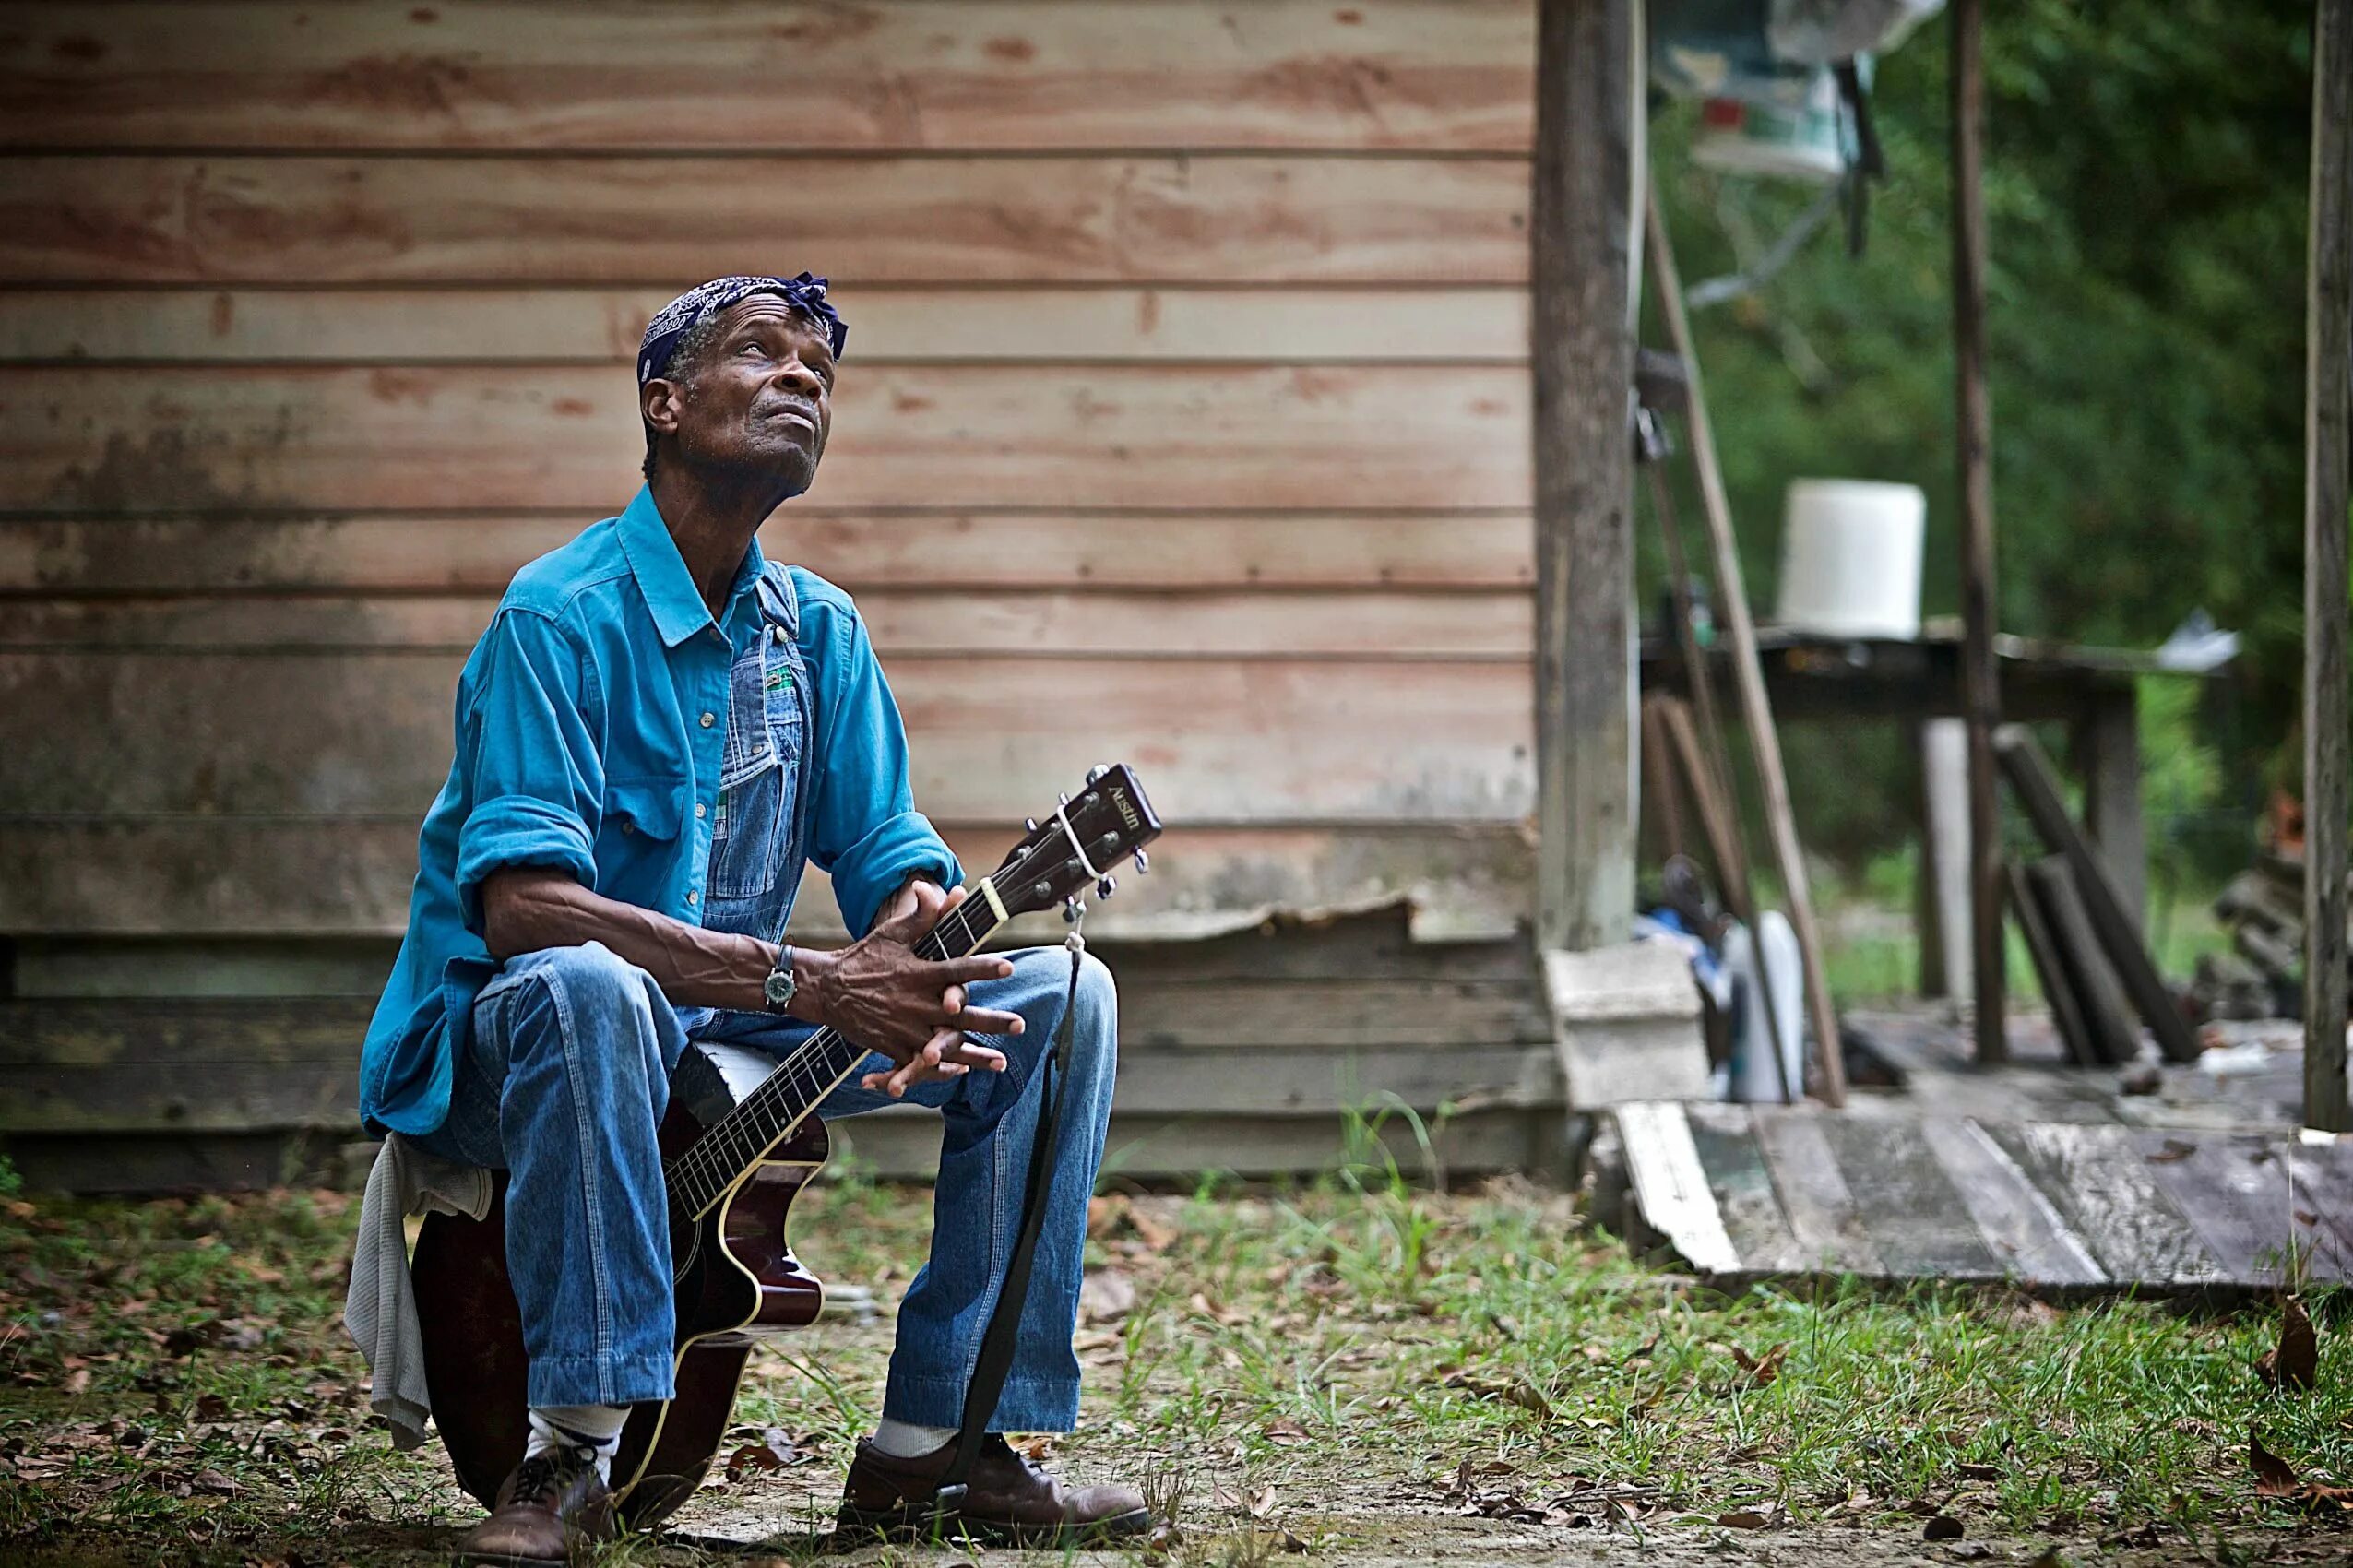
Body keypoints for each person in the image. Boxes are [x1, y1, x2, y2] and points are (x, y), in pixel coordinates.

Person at [356, 274, 1147, 1562]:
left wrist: (912, 948)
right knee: (592, 988)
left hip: (731, 1041)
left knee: (1062, 1006)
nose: (804, 382)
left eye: (821, 372)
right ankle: (571, 1455)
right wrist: (816, 982)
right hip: (524, 1052)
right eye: (764, 356)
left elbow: (893, 856)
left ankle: (945, 1446)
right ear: (665, 404)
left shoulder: (818, 631)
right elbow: (525, 912)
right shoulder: (557, 616)